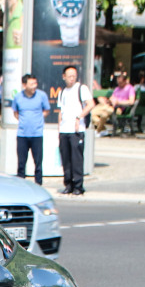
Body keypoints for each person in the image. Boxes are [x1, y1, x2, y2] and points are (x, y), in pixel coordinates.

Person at [55, 65, 93, 195]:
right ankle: (68, 184)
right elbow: (61, 110)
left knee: (76, 158)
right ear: (63, 76)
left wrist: (79, 117)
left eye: (74, 76)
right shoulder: (62, 92)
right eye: (69, 76)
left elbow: (90, 104)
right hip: (64, 129)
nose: (72, 78)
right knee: (66, 158)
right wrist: (59, 128)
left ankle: (78, 185)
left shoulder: (81, 89)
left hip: (76, 129)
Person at [11, 73, 49, 185]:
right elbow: (15, 113)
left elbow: (46, 111)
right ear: (24, 85)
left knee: (38, 163)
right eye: (31, 84)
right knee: (21, 163)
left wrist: (37, 120)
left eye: (35, 83)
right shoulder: (18, 97)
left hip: (37, 134)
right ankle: (21, 184)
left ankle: (38, 183)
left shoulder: (41, 96)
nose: (34, 86)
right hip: (22, 134)